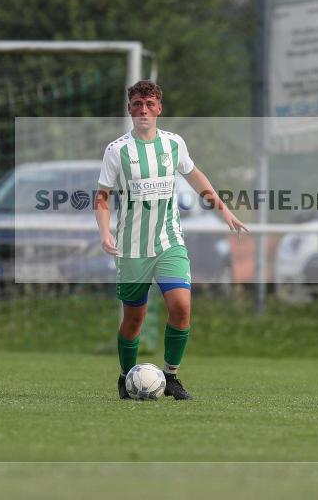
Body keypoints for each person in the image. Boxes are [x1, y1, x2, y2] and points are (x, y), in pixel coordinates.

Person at [95, 80, 247, 400]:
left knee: (180, 307)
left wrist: (225, 212)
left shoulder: (174, 144)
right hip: (132, 247)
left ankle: (172, 376)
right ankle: (125, 377)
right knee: (134, 319)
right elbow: (102, 197)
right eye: (138, 104)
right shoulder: (117, 150)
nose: (144, 110)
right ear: (130, 108)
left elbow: (196, 176)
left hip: (169, 242)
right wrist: (105, 232)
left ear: (159, 109)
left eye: (150, 104)